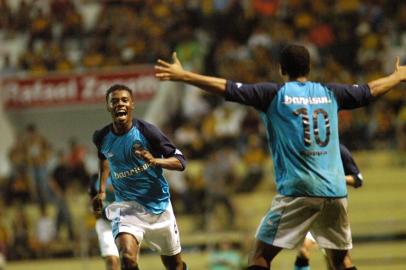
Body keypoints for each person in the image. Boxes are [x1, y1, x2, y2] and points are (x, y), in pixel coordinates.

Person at [155, 44, 406, 270]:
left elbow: (226, 88)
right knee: (341, 260)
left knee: (260, 256)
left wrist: (184, 75)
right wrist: (397, 76)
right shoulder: (330, 92)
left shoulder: (273, 94)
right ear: (309, 67)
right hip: (336, 191)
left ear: (281, 69)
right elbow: (369, 90)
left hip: (300, 189)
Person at [92, 84, 188, 270]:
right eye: (114, 101)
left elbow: (180, 161)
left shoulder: (147, 132)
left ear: (132, 105)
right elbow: (104, 159)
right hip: (127, 208)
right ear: (108, 106)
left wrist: (155, 161)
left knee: (175, 266)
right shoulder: (101, 137)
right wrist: (102, 191)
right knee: (127, 258)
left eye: (124, 100)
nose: (120, 104)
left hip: (159, 208)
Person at [294, 144, 363, 270]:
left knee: (339, 261)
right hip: (309, 211)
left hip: (331, 211)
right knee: (304, 250)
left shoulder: (338, 149)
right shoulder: (303, 148)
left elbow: (358, 179)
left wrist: (336, 179)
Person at [89, 174, 119, 270]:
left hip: (124, 222)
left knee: (127, 259)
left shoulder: (125, 171)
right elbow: (92, 200)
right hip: (105, 222)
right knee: (111, 259)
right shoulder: (95, 178)